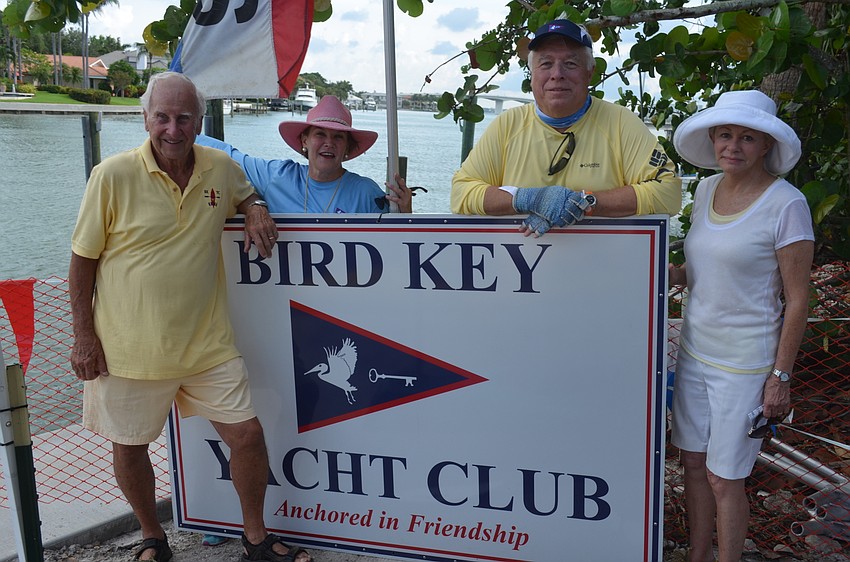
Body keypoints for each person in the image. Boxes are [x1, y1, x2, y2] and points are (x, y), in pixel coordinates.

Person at [69, 72, 311, 562]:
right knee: (131, 447)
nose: (173, 129)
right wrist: (83, 336)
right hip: (127, 350)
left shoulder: (219, 167)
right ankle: (152, 536)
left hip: (207, 346)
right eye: (162, 117)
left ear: (200, 121)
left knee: (247, 436)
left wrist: (258, 204)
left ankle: (256, 539)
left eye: (183, 118)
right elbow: (82, 261)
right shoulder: (111, 175)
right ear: (145, 118)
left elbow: (245, 192)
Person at [669, 90, 814, 562]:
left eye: (747, 138)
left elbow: (797, 299)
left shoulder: (786, 204)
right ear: (712, 138)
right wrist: (652, 272)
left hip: (747, 366)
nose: (733, 146)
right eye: (725, 135)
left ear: (766, 145)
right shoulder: (706, 189)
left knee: (724, 478)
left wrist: (781, 377)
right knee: (692, 464)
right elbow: (701, 270)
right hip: (693, 354)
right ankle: (697, 555)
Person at [451, 19, 682, 236]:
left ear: (589, 73)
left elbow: (668, 192)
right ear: (531, 74)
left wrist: (585, 202)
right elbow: (460, 194)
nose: (557, 74)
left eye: (570, 64)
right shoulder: (507, 125)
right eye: (546, 63)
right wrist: (525, 198)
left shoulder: (621, 122)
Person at [196, 94, 414, 214]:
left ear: (347, 147)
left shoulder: (367, 193)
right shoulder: (278, 176)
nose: (329, 143)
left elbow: (397, 249)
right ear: (304, 140)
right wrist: (179, 136)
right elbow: (227, 154)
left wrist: (406, 212)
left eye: (338, 137)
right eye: (320, 134)